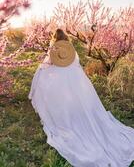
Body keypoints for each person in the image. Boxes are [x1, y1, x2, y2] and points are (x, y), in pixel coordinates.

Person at [28, 28, 134, 167]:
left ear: (54, 38)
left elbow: (47, 65)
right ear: (66, 37)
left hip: (61, 83)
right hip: (75, 80)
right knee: (78, 100)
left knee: (61, 98)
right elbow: (76, 65)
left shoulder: (54, 49)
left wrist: (44, 74)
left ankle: (67, 114)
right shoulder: (71, 49)